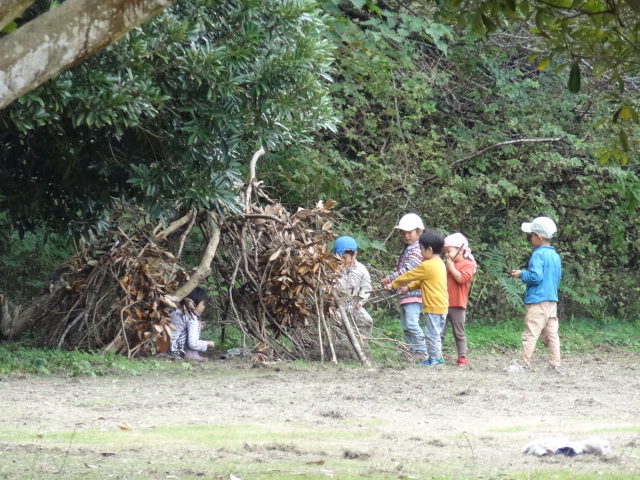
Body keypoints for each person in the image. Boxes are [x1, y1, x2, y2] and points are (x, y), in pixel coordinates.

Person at [384, 229, 448, 366]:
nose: (421, 253)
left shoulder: (427, 265)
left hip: (433, 306)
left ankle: (434, 360)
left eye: (421, 250)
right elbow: (422, 281)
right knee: (435, 333)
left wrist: (393, 284)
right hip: (442, 305)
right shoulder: (440, 264)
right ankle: (436, 358)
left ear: (429, 250)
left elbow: (410, 275)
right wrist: (409, 288)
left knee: (432, 335)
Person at [508, 216, 562, 372]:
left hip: (538, 300)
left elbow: (536, 276)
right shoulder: (555, 256)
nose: (530, 238)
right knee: (552, 334)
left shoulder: (538, 255)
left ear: (539, 237)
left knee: (531, 333)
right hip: (552, 301)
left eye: (531, 235)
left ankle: (523, 364)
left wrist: (521, 274)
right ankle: (554, 364)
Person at [380, 213, 427, 360]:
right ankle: (411, 352)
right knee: (406, 326)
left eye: (409, 232)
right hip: (405, 294)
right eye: (403, 233)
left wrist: (391, 278)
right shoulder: (408, 248)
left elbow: (409, 268)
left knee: (412, 324)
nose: (406, 236)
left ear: (419, 231)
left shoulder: (418, 248)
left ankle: (423, 352)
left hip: (415, 293)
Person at [441, 233, 477, 367]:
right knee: (440, 331)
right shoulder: (448, 264)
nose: (446, 255)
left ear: (461, 250)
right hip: (444, 303)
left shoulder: (468, 264)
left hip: (458, 304)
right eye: (445, 252)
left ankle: (462, 356)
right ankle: (436, 354)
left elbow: (462, 279)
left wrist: (451, 268)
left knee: (459, 333)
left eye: (448, 251)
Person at [334, 236, 373, 338]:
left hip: (353, 306)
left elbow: (366, 288)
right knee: (337, 322)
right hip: (335, 307)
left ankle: (363, 348)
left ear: (354, 255)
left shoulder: (361, 269)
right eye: (338, 256)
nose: (341, 260)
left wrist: (360, 301)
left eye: (344, 257)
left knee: (367, 321)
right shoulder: (330, 269)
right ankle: (339, 346)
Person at [167, 286, 215, 362]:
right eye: (203, 304)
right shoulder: (191, 317)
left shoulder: (176, 311)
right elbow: (193, 344)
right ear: (194, 303)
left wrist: (198, 326)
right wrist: (207, 343)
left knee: (196, 325)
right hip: (176, 351)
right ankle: (191, 355)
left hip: (167, 349)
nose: (204, 307)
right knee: (195, 325)